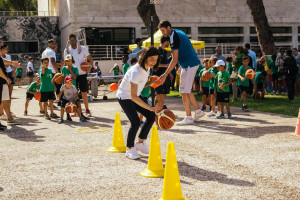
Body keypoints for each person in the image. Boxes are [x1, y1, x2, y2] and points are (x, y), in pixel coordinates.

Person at [116, 46, 161, 159]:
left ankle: (140, 143)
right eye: (152, 59)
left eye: (156, 60)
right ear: (145, 58)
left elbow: (139, 87)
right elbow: (133, 96)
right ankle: (130, 149)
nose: (154, 62)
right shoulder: (136, 71)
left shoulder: (147, 68)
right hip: (124, 97)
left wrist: (150, 84)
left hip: (133, 95)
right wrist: (150, 107)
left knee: (151, 116)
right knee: (135, 122)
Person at [158, 20, 204, 125]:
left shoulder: (173, 36)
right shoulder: (178, 32)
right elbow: (182, 51)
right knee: (186, 90)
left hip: (189, 64)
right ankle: (198, 111)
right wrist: (180, 66)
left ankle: (189, 117)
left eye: (163, 30)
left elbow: (174, 59)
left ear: (168, 27)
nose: (163, 33)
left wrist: (165, 74)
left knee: (184, 91)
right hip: (188, 63)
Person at [64, 34, 93, 117]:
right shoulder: (67, 50)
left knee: (84, 92)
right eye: (70, 41)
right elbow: (65, 63)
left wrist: (90, 67)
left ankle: (87, 110)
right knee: (73, 94)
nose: (72, 42)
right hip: (72, 75)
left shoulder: (83, 49)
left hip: (82, 74)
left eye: (73, 40)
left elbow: (90, 59)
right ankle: (75, 110)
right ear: (68, 41)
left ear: (76, 40)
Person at [0, 45, 20, 125]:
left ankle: (10, 118)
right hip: (2, 79)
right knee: (4, 99)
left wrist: (12, 63)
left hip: (2, 80)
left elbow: (2, 61)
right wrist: (6, 78)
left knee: (5, 99)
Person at [153, 36, 171, 110]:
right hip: (157, 76)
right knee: (158, 94)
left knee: (163, 94)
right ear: (166, 41)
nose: (169, 43)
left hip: (165, 76)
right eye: (169, 42)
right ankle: (155, 112)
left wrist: (169, 73)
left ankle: (160, 111)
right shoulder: (157, 50)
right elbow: (154, 65)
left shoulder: (164, 51)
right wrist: (165, 65)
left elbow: (166, 64)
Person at [42, 39, 62, 105]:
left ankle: (48, 102)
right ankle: (58, 101)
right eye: (54, 44)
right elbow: (53, 62)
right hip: (52, 72)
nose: (55, 45)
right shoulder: (52, 52)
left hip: (46, 71)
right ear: (52, 44)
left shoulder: (44, 52)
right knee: (57, 86)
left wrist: (60, 65)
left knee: (49, 87)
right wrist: (57, 72)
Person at [1, 44, 15, 112]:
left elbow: (8, 65)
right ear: (2, 49)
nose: (7, 50)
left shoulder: (8, 56)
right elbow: (4, 65)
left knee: (9, 94)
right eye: (6, 49)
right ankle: (2, 112)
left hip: (9, 73)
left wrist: (12, 70)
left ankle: (8, 110)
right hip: (3, 75)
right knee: (3, 95)